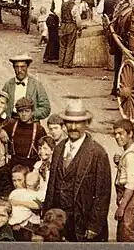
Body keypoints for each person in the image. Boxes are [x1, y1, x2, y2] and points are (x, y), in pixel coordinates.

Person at [42, 100, 111, 241]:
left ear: (86, 123)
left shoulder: (98, 153)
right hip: (59, 221)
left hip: (82, 221)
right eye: (69, 123)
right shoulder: (59, 148)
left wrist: (94, 226)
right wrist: (47, 215)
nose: (73, 127)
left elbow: (102, 195)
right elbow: (52, 185)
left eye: (78, 123)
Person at [112, 119, 134, 242]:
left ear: (130, 133)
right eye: (115, 134)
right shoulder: (133, 149)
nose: (117, 137)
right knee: (126, 233)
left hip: (132, 196)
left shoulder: (131, 155)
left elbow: (131, 185)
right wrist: (120, 162)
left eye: (120, 133)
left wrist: (121, 207)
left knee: (126, 236)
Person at [2, 54, 51, 121]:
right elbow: (1, 104)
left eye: (22, 67)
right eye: (16, 67)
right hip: (12, 121)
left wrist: (31, 114)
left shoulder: (36, 85)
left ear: (27, 67)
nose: (19, 70)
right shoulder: (8, 85)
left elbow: (46, 108)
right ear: (13, 68)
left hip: (30, 123)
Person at [4, 97, 47, 171]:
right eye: (21, 111)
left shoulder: (39, 129)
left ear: (32, 112)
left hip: (31, 164)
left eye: (27, 111)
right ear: (17, 112)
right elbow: (0, 129)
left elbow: (46, 146)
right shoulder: (12, 124)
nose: (24, 114)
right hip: (14, 164)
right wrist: (2, 132)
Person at [58, 0, 81, 69]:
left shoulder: (63, 5)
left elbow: (60, 15)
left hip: (63, 25)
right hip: (71, 26)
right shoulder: (74, 7)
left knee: (62, 45)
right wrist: (79, 27)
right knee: (70, 45)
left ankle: (60, 63)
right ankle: (67, 64)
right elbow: (77, 19)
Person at [43, 0, 62, 64]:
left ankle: (49, 56)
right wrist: (60, 22)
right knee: (53, 39)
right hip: (53, 19)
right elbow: (57, 11)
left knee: (53, 38)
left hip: (52, 19)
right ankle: (50, 57)